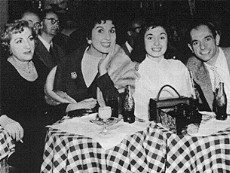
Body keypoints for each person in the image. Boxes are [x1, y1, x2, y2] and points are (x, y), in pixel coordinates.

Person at [0, 20, 95, 173]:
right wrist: (3, 118)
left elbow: (44, 105)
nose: (27, 45)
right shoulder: (3, 69)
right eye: (19, 41)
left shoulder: (37, 64)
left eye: (30, 39)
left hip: (45, 133)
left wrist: (73, 106)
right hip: (23, 144)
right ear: (8, 46)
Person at [45, 12, 138, 113]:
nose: (108, 37)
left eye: (112, 31)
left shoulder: (124, 64)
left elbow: (123, 108)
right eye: (100, 31)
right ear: (89, 38)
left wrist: (103, 74)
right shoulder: (69, 61)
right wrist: (72, 107)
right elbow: (52, 104)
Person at [133, 18, 193, 121]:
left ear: (168, 40)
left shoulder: (178, 67)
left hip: (179, 124)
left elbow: (189, 101)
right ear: (143, 41)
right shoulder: (136, 71)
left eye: (161, 37)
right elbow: (138, 111)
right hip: (147, 127)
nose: (156, 43)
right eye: (150, 38)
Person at [186, 18, 230, 112]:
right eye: (196, 42)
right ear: (191, 48)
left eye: (207, 39)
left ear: (217, 39)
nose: (202, 46)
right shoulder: (193, 67)